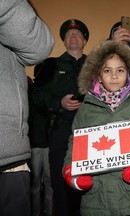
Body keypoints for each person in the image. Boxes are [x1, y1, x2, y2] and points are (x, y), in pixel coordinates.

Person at [62, 40, 130, 216]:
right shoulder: (86, 107)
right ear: (98, 75)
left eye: (120, 70)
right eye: (107, 70)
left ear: (129, 73)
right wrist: (71, 170)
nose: (114, 76)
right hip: (96, 201)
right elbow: (75, 142)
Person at [0, 0, 54, 215]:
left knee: (47, 184)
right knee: (36, 188)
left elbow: (37, 46)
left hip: (16, 150)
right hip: (31, 145)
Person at [31, 19, 89, 216]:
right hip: (61, 133)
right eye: (69, 34)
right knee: (60, 185)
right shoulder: (50, 65)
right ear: (64, 41)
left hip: (91, 133)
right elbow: (36, 94)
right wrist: (58, 103)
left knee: (90, 186)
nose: (73, 36)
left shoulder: (95, 65)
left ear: (85, 41)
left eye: (78, 34)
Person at [29, 63, 53, 216]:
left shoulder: (51, 91)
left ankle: (47, 212)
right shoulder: (31, 91)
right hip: (35, 144)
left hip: (47, 144)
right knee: (36, 184)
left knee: (47, 184)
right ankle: (36, 213)